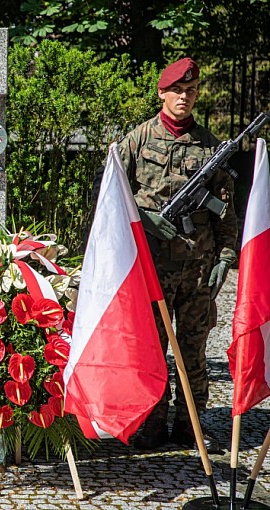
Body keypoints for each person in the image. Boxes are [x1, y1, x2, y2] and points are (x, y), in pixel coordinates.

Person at [115, 58, 238, 453]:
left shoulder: (209, 145)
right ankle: (149, 424)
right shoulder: (136, 140)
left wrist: (226, 255)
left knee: (194, 349)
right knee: (151, 349)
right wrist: (145, 218)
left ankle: (190, 425)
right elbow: (111, 199)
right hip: (151, 267)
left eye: (191, 91)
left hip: (197, 270)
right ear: (162, 93)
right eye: (177, 91)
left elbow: (224, 206)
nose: (185, 97)